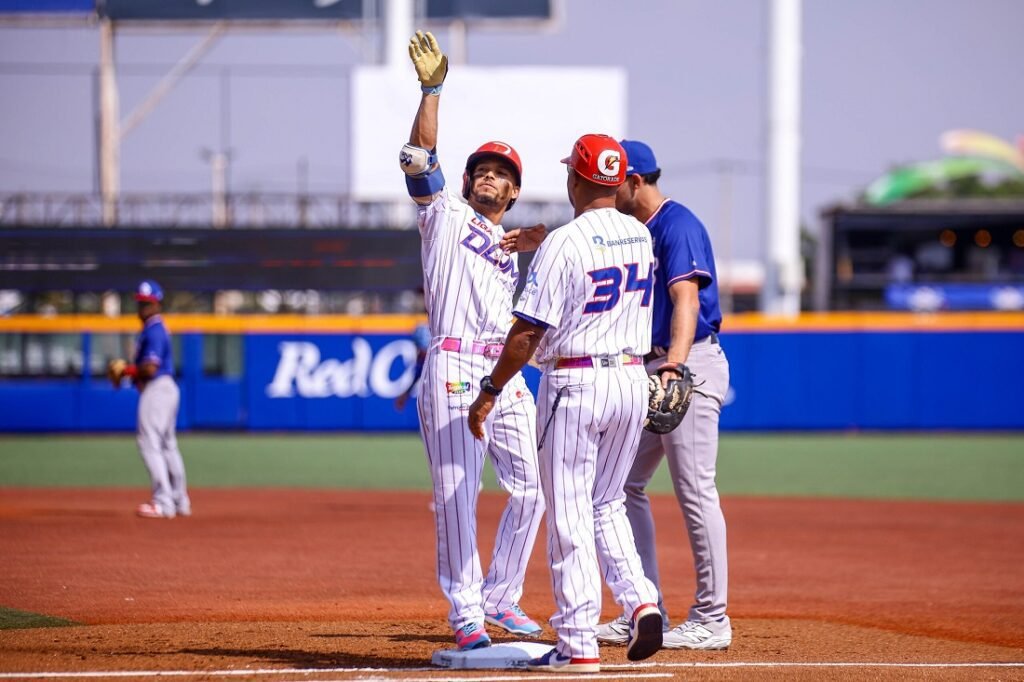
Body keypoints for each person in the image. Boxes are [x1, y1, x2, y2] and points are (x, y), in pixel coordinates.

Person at [468, 134, 663, 674]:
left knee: (571, 513)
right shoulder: (640, 236)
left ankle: (578, 640)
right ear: (619, 181)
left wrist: (490, 390)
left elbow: (527, 334)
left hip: (576, 384)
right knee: (607, 504)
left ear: (575, 179)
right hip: (630, 380)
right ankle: (641, 599)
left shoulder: (565, 242)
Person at [402, 30, 547, 651]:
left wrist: (543, 236)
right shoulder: (445, 215)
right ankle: (466, 614)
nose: (490, 177)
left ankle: (500, 597)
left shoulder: (512, 245)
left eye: (502, 174)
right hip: (454, 362)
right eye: (482, 170)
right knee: (459, 493)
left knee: (532, 488)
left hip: (503, 375)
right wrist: (431, 91)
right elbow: (416, 157)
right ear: (467, 183)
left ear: (513, 192)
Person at [596, 139, 732, 650]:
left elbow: (687, 298)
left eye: (615, 183)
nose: (607, 191)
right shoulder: (636, 230)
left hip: (686, 361)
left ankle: (713, 619)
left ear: (635, 182)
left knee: (696, 490)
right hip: (653, 366)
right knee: (621, 485)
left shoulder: (677, 223)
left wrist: (673, 365)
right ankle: (642, 605)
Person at [108, 280, 191, 520]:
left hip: (157, 389)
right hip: (166, 389)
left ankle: (163, 502)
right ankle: (178, 500)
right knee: (167, 445)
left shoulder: (154, 329)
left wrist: (127, 371)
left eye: (148, 303)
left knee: (149, 443)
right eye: (141, 302)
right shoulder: (157, 328)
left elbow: (151, 368)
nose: (143, 307)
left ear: (157, 304)